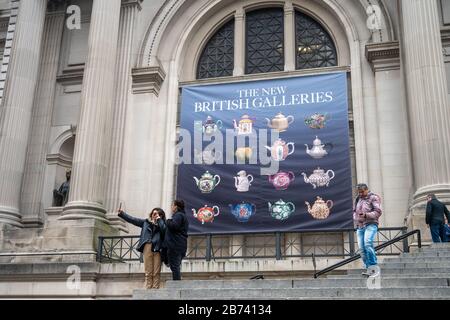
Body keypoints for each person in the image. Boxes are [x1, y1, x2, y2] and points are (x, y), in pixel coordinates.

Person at [118, 207, 166, 289]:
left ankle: (155, 288)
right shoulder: (146, 222)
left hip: (158, 248)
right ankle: (148, 288)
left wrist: (159, 220)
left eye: (157, 214)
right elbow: (133, 220)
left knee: (156, 271)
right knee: (148, 270)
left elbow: (164, 231)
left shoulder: (163, 224)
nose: (155, 215)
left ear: (161, 216)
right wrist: (122, 214)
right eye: (154, 214)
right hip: (148, 245)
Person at [353, 183, 382, 276]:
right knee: (361, 249)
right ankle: (369, 268)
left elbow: (378, 212)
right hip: (360, 226)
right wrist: (356, 217)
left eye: (362, 192)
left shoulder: (373, 198)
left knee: (368, 243)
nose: (360, 194)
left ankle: (374, 268)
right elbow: (354, 211)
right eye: (359, 192)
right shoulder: (357, 199)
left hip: (371, 224)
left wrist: (366, 215)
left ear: (366, 190)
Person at [164, 199, 189, 280]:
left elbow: (174, 226)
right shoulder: (183, 216)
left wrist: (167, 221)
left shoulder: (178, 215)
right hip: (180, 245)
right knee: (175, 266)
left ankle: (176, 285)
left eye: (172, 205)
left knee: (175, 267)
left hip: (175, 245)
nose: (171, 207)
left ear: (176, 207)